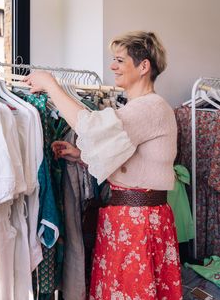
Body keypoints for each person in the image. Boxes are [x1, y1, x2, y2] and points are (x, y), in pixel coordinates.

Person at [24, 31, 183, 299]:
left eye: (120, 60)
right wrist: (81, 157)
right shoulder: (140, 108)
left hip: (138, 222)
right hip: (129, 219)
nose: (113, 67)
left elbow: (92, 128)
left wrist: (51, 85)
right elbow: (129, 160)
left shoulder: (150, 107)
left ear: (143, 66)